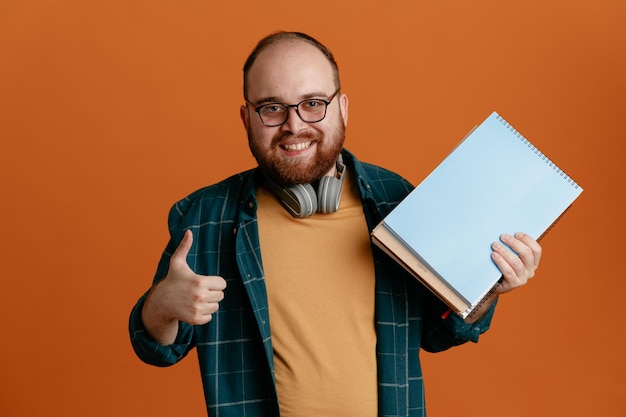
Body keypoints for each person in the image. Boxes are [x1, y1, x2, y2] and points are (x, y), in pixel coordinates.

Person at [129, 31, 541, 417]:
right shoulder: (205, 216)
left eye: (312, 103)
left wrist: (483, 291)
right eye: (272, 108)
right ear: (246, 119)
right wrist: (162, 307)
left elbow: (437, 333)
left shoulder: (395, 200)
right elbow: (157, 348)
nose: (294, 125)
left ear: (342, 107)